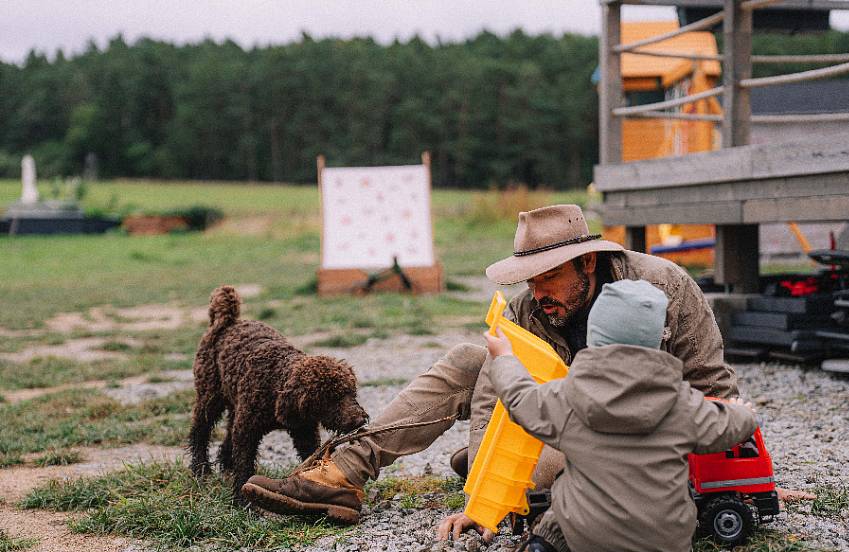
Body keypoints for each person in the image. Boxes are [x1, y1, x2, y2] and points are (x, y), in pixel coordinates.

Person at [242, 204, 741, 522]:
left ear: (587, 262)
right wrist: (486, 471)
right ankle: (340, 475)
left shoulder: (664, 288)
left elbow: (714, 390)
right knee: (471, 358)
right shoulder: (529, 309)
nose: (536, 292)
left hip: (626, 442)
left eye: (547, 277)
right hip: (558, 417)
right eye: (528, 279)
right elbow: (492, 390)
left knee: (543, 470)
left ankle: (508, 473)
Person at [467, 280, 758, 552]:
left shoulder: (569, 396)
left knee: (568, 485)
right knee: (670, 528)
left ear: (594, 336)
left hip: (586, 539)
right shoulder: (680, 403)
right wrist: (744, 414)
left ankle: (541, 549)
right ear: (656, 340)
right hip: (659, 537)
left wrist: (505, 358)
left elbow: (521, 398)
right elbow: (725, 427)